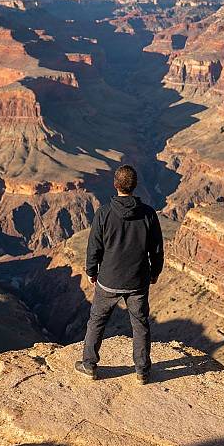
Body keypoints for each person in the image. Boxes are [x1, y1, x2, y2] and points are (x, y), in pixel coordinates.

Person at [75, 165, 164, 385]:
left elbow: (93, 246)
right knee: (140, 323)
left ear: (115, 185)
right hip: (137, 281)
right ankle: (142, 370)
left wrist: (91, 271)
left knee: (97, 321)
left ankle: (89, 365)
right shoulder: (148, 214)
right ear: (135, 186)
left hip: (108, 280)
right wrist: (155, 273)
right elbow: (157, 249)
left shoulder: (104, 213)